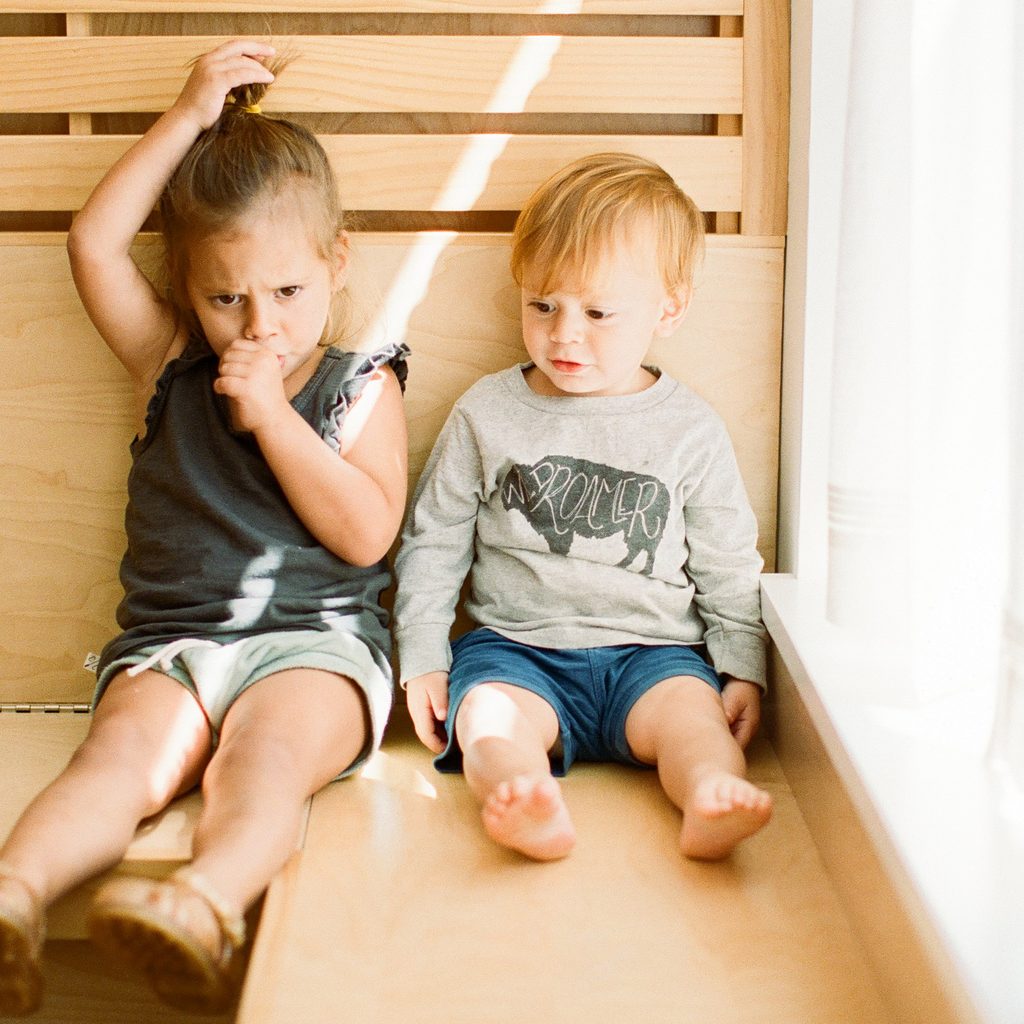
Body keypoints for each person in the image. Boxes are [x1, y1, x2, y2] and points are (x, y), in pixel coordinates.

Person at [0, 40, 408, 1016]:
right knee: (119, 764)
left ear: (335, 262)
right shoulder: (172, 361)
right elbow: (92, 245)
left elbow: (366, 535)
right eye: (226, 297)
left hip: (314, 649)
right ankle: (13, 895)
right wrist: (186, 114)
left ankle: (201, 900)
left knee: (259, 766)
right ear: (188, 293)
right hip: (171, 646)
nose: (257, 323)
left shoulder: (360, 386)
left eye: (286, 293)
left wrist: (272, 415)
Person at [394, 153, 771, 865]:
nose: (564, 334)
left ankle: (711, 795)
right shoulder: (486, 413)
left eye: (597, 312)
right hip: (516, 649)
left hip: (655, 656)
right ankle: (521, 799)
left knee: (696, 728)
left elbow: (727, 558)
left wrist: (741, 662)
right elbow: (434, 539)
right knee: (488, 724)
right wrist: (422, 655)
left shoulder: (690, 430)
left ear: (670, 308)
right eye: (543, 305)